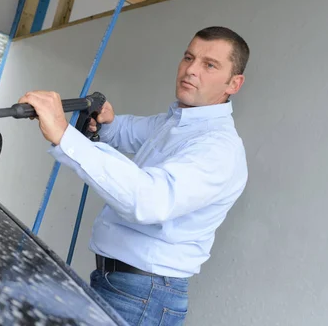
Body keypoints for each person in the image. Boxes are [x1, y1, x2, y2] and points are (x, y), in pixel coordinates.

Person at [17, 26, 249, 326]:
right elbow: (131, 132)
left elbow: (148, 200)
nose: (191, 70)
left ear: (234, 83)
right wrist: (107, 123)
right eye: (188, 57)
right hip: (123, 285)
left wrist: (64, 135)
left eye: (209, 65)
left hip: (143, 296)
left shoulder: (217, 148)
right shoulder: (178, 122)